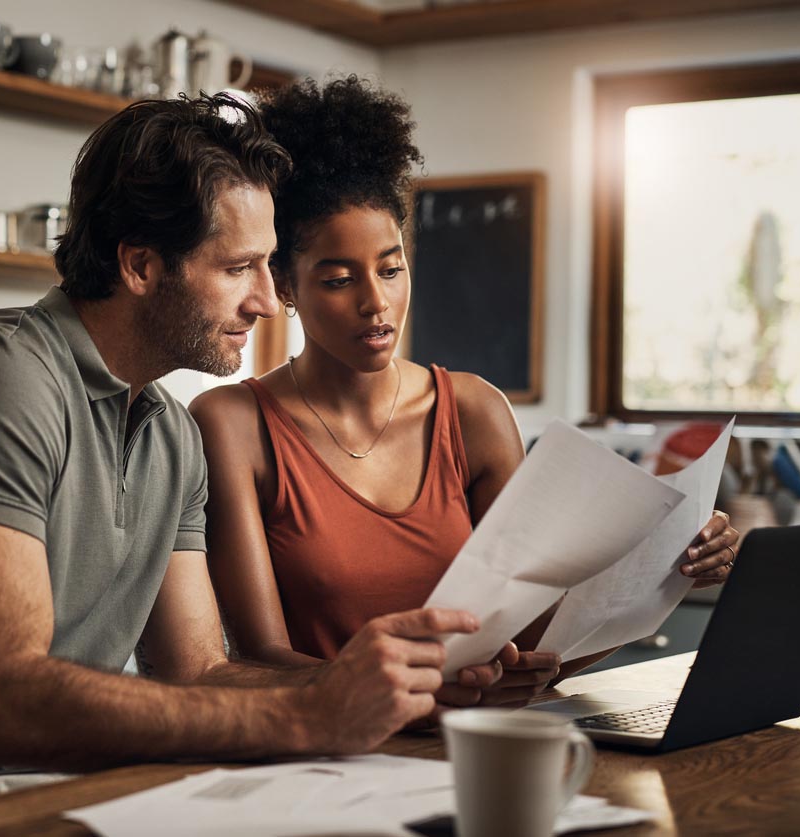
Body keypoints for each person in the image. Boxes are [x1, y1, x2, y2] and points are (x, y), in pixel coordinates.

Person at [0, 94, 499, 826]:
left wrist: (376, 689)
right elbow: (0, 704)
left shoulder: (168, 431)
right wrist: (304, 716)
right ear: (139, 263)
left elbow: (200, 671)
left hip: (69, 785)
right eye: (239, 268)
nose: (266, 300)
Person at [189, 77, 739, 712]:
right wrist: (423, 693)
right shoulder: (233, 425)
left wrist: (668, 571)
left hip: (476, 747)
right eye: (339, 279)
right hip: (327, 757)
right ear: (283, 283)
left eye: (392, 269)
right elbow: (259, 659)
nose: (377, 303)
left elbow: (537, 641)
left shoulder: (473, 412)